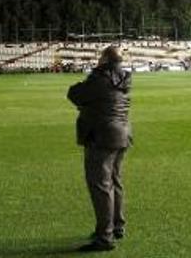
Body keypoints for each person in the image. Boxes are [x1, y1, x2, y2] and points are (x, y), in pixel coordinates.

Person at [67, 45, 132, 252]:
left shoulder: (100, 78)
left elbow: (74, 93)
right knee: (114, 181)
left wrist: (94, 74)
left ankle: (105, 237)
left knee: (101, 186)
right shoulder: (123, 78)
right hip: (122, 134)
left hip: (102, 136)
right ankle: (117, 226)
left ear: (104, 60)